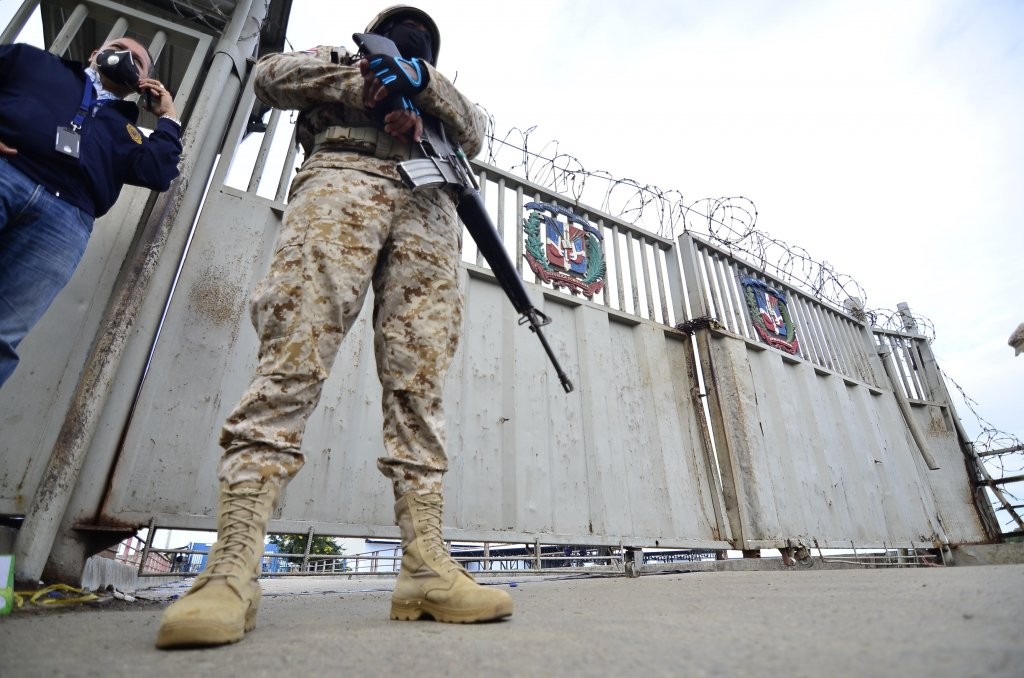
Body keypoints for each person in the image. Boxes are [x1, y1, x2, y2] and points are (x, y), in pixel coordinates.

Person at [155, 5, 512, 649]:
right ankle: (231, 569)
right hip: (341, 177)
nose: (415, 37)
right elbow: (269, 76)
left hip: (428, 207)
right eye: (404, 30)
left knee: (419, 379)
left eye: (424, 39)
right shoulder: (339, 57)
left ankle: (425, 567)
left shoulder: (439, 89)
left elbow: (476, 129)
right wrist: (362, 84)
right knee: (294, 350)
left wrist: (418, 92)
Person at [0, 36, 181, 387]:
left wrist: (168, 117)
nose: (125, 56)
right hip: (8, 172)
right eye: (117, 47)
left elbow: (159, 173)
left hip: (65, 222)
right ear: (95, 53)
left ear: (141, 84)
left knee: (3, 335)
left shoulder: (130, 134)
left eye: (138, 61)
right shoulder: (35, 63)